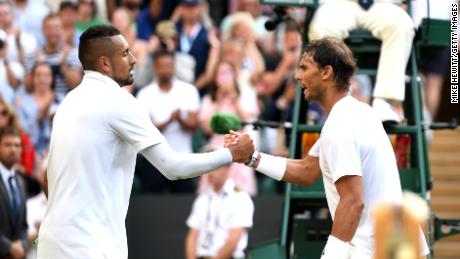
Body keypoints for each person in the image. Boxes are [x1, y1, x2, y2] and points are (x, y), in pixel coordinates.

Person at [36, 25, 254, 259]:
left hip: (51, 243)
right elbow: (172, 167)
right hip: (90, 247)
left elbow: (49, 180)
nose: (134, 59)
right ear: (105, 64)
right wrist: (231, 154)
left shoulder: (68, 103)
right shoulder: (120, 102)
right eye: (124, 53)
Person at [225, 37, 429, 258]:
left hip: (374, 251)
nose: (297, 75)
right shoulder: (359, 112)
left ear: (326, 72)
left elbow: (352, 202)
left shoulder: (339, 126)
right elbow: (306, 170)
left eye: (304, 67)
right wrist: (251, 158)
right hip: (394, 247)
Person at [308, 0, 415, 124]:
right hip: (338, 4)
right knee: (320, 28)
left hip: (382, 4)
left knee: (402, 25)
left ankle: (384, 102)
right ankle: (333, 101)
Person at [136, 50, 200, 193]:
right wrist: (169, 120)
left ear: (174, 67)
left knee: (184, 203)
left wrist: (181, 119)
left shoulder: (188, 90)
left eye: (169, 65)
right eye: (161, 66)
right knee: (151, 204)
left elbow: (195, 125)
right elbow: (144, 131)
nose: (165, 69)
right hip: (154, 159)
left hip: (183, 156)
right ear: (155, 68)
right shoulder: (144, 94)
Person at [185, 145, 254, 259]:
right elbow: (192, 237)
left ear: (227, 167)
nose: (210, 172)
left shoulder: (240, 198)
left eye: (215, 167)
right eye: (207, 167)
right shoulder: (202, 199)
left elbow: (233, 240)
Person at [0, 127, 28, 259]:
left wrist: (22, 245)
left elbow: (23, 226)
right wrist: (8, 247)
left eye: (17, 145)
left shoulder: (21, 182)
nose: (13, 150)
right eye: (7, 145)